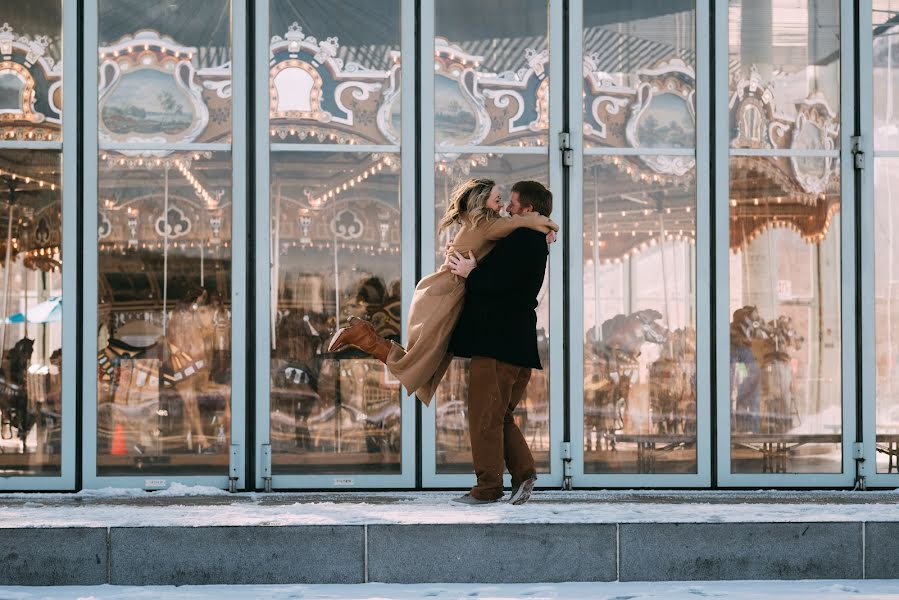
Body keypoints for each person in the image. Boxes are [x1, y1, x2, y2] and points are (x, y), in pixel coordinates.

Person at [327, 178, 558, 406]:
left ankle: (365, 337)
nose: (503, 207)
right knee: (421, 360)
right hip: (447, 292)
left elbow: (512, 234)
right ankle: (364, 337)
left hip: (444, 289)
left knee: (428, 357)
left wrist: (543, 232)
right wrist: (549, 227)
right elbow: (519, 223)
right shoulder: (487, 225)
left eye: (506, 202)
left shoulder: (480, 223)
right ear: (483, 203)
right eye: (498, 200)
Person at [445, 180, 553, 506]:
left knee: (484, 417)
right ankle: (524, 473)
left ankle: (488, 487)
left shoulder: (522, 238)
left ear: (529, 209)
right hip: (515, 343)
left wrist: (470, 272)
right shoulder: (531, 239)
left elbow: (503, 284)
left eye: (514, 204)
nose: (508, 207)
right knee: (500, 415)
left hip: (497, 343)